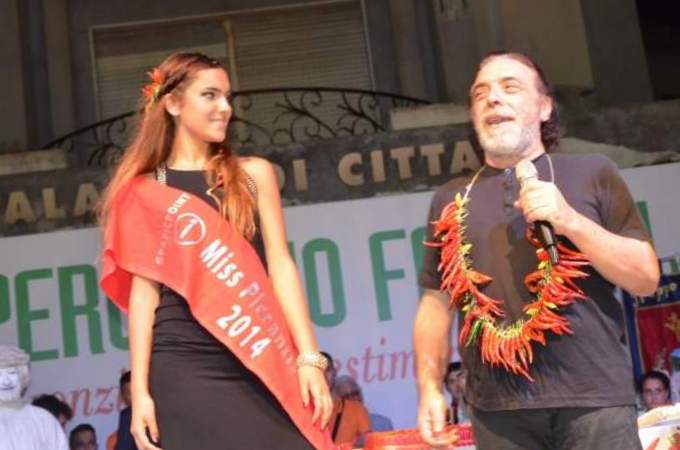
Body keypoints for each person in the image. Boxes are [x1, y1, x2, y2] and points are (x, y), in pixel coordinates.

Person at [413, 51, 660, 450]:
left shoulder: (593, 172)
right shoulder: (450, 198)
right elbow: (434, 305)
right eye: (480, 93)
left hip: (594, 403)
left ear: (544, 107)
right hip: (497, 411)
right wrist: (428, 387)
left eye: (509, 87)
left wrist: (570, 221)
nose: (493, 98)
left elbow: (645, 279)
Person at [98, 52, 333, 450]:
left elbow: (280, 264)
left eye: (227, 96)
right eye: (210, 95)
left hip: (259, 349)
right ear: (173, 103)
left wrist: (309, 357)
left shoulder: (253, 174)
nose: (225, 107)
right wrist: (140, 392)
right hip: (184, 363)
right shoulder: (144, 191)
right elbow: (144, 294)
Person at [0, 345, 69, 450]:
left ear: (23, 376)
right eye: (0, 375)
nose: (7, 381)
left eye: (11, 373)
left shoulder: (42, 418)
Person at [321, 355, 371, 447]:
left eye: (327, 369)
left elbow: (368, 442)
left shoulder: (355, 409)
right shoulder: (300, 410)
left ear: (334, 372)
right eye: (318, 371)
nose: (323, 375)